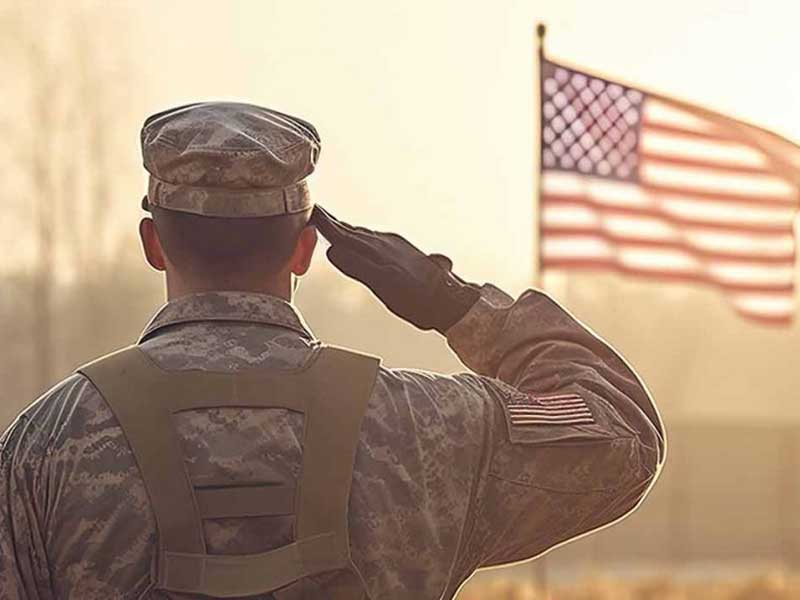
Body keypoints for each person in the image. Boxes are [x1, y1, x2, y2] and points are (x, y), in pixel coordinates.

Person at [0, 102, 665, 599]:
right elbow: (624, 434)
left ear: (153, 243)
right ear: (303, 248)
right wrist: (452, 303)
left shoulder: (44, 445)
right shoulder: (426, 427)